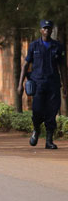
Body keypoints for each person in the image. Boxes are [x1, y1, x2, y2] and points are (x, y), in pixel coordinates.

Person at [18, 19, 65, 149]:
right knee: (37, 111)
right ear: (40, 30)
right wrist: (19, 85)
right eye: (44, 28)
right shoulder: (33, 46)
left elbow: (62, 67)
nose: (47, 30)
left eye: (49, 28)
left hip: (53, 84)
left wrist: (65, 85)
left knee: (52, 112)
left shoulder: (57, 46)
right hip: (38, 83)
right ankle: (36, 130)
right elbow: (25, 65)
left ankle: (49, 140)